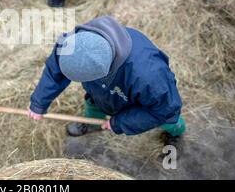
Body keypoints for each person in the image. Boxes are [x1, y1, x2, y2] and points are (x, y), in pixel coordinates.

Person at [28, 16, 186, 148]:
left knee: (167, 119)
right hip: (100, 91)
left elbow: (164, 110)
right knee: (94, 102)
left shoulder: (150, 76)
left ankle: (176, 132)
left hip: (140, 101)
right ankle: (92, 123)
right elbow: (55, 71)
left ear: (104, 72)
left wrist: (119, 123)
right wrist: (39, 103)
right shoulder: (73, 42)